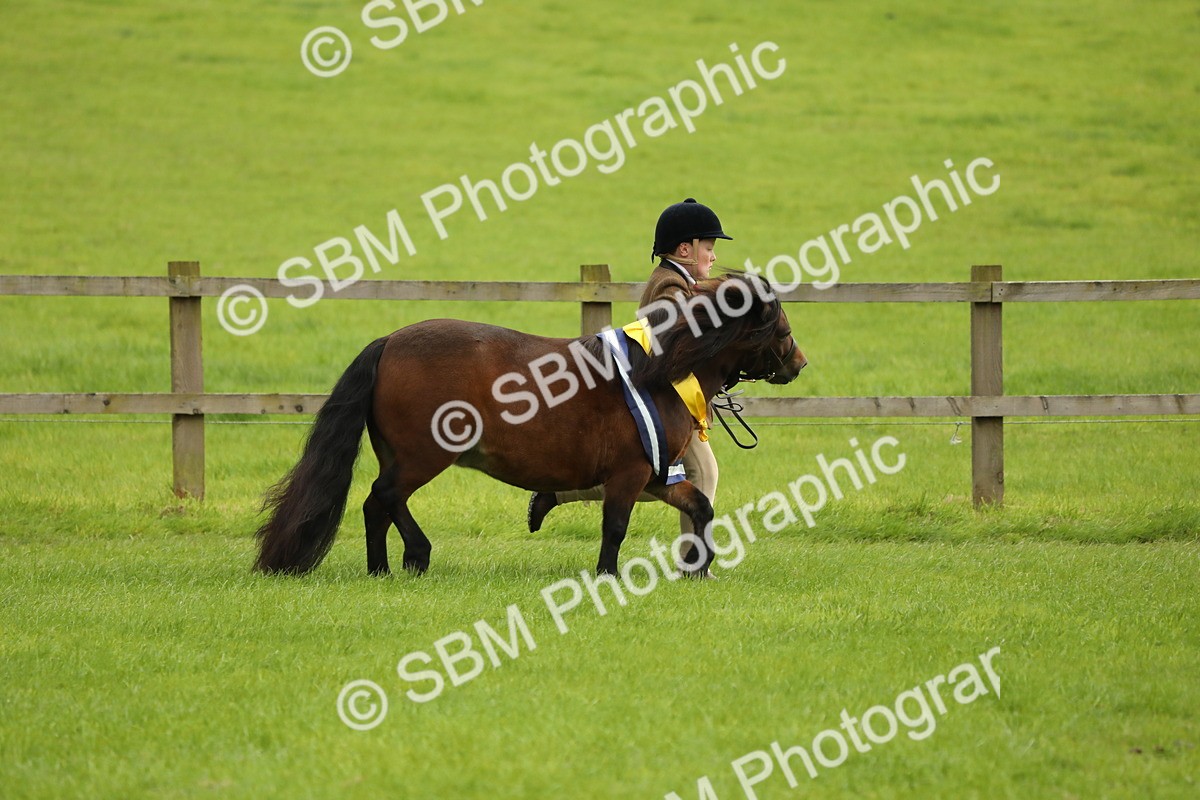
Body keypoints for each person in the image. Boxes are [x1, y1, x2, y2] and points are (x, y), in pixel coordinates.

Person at [527, 197, 731, 547]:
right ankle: (693, 562)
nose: (713, 257)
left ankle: (558, 493)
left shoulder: (679, 281)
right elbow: (673, 343)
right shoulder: (668, 286)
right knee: (697, 475)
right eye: (708, 248)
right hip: (663, 405)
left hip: (675, 403)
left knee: (660, 480)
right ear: (685, 249)